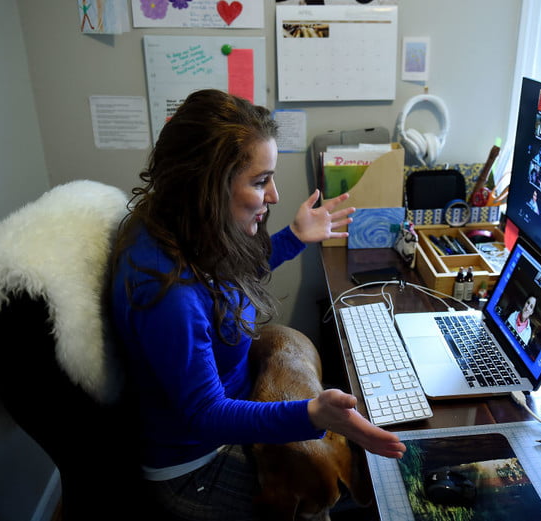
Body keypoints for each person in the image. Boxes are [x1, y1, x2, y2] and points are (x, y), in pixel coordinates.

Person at [110, 89, 405, 520]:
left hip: (224, 414)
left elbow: (225, 280)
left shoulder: (180, 225)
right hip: (195, 468)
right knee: (334, 501)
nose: (274, 196)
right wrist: (312, 415)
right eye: (260, 180)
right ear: (207, 186)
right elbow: (206, 415)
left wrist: (293, 238)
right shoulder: (167, 293)